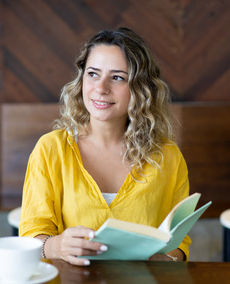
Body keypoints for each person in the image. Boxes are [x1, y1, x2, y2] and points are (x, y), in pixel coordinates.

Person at [19, 27, 190, 266]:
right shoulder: (51, 149)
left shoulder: (167, 156)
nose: (101, 88)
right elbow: (31, 238)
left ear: (141, 88)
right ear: (81, 80)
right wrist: (57, 245)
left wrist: (162, 259)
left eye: (117, 77)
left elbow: (180, 244)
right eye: (93, 74)